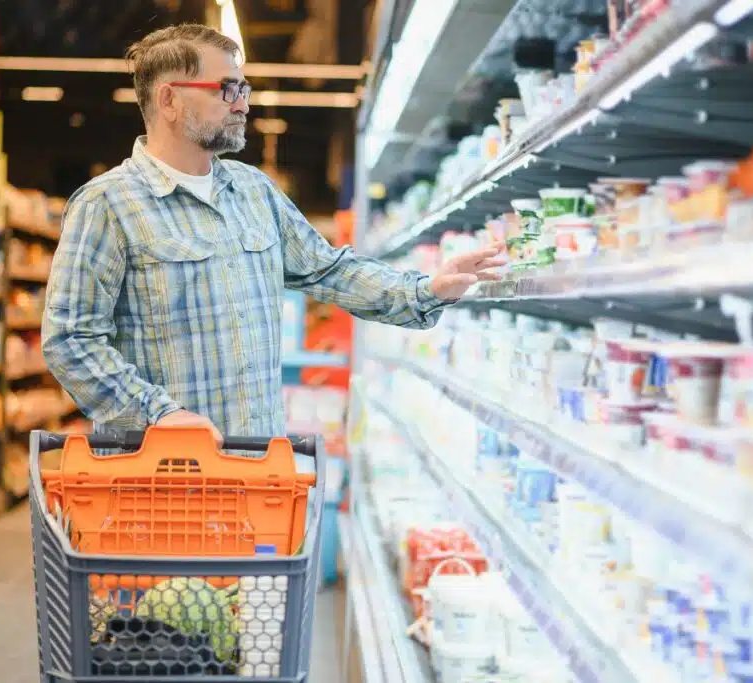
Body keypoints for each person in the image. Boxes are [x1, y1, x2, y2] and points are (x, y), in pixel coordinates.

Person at [41, 23, 501, 444]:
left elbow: (329, 270)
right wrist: (156, 414)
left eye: (243, 88)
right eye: (227, 89)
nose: (243, 103)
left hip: (259, 477)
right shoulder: (107, 205)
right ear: (169, 101)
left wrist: (425, 290)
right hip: (161, 487)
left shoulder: (254, 192)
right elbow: (70, 340)